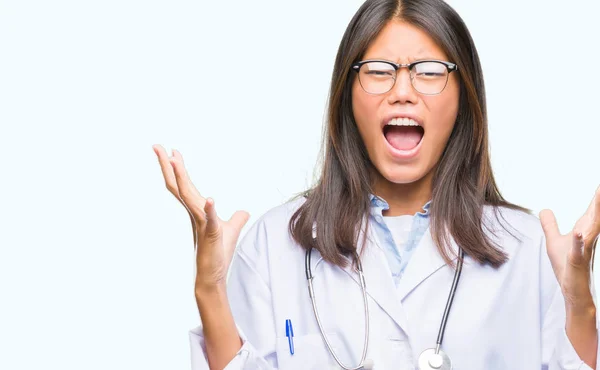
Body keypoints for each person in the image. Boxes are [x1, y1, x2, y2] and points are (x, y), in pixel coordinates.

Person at [153, 0, 599, 368]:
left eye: (429, 71)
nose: (402, 90)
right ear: (347, 95)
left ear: (463, 97)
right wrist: (210, 288)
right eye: (379, 70)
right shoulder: (275, 244)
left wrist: (580, 304)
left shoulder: (528, 248)